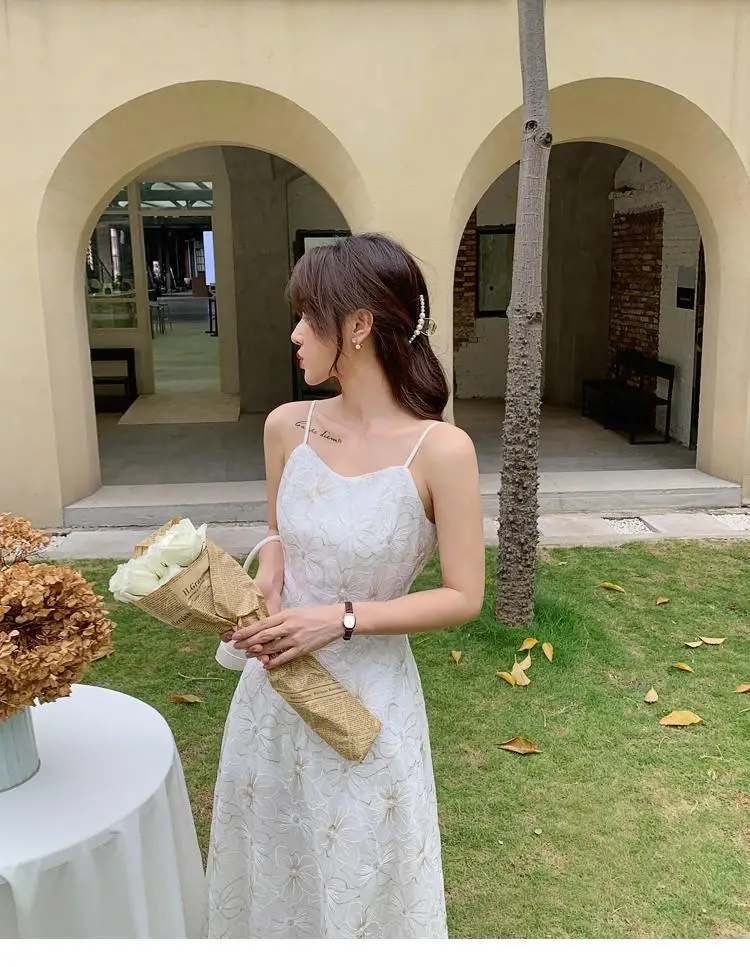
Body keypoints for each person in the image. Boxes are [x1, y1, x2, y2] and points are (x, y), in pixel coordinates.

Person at [206, 233, 485, 939]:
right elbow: (278, 532)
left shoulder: (442, 450)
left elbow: (463, 595)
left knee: (360, 874)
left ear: (358, 325)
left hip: (370, 703)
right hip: (272, 692)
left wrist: (341, 619)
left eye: (309, 316)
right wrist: (268, 576)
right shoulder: (286, 426)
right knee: (273, 865)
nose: (295, 334)